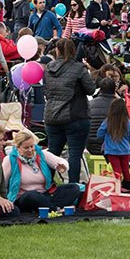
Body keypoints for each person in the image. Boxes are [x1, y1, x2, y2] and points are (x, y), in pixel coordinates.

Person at [43, 38, 96, 183]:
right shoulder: (79, 69)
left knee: (52, 154)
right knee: (75, 154)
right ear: (74, 51)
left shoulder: (48, 68)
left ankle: (46, 185)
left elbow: (46, 90)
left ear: (57, 50)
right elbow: (91, 89)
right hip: (75, 115)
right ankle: (73, 186)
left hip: (52, 116)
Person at [2, 130, 81, 213]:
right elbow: (2, 182)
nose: (30, 150)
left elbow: (61, 161)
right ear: (17, 148)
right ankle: (54, 209)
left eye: (32, 146)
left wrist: (62, 166)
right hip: (24, 198)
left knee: (74, 188)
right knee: (31, 195)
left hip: (45, 194)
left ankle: (47, 207)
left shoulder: (42, 154)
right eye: (26, 148)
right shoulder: (10, 160)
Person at [97, 98, 130, 191]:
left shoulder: (108, 122)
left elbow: (99, 134)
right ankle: (128, 186)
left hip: (111, 150)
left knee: (117, 170)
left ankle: (117, 187)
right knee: (126, 169)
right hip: (125, 150)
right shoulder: (128, 122)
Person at [87, 77, 117, 155]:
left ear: (100, 89)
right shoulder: (119, 106)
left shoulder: (90, 104)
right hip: (113, 146)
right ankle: (129, 161)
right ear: (115, 89)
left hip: (91, 146)